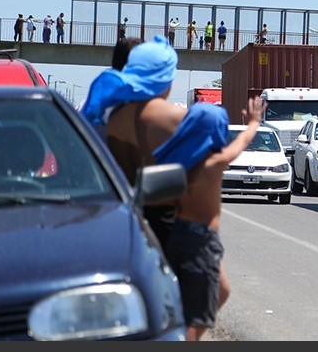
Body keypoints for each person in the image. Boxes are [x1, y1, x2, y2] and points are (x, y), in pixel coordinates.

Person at [81, 34, 267, 341]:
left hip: (129, 221)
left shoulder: (111, 119)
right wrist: (252, 126)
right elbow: (210, 158)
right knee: (213, 293)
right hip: (169, 221)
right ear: (163, 78)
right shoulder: (177, 119)